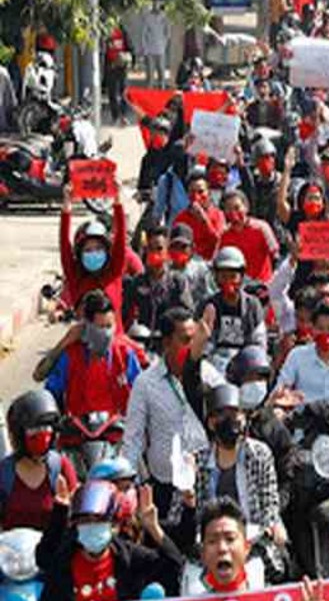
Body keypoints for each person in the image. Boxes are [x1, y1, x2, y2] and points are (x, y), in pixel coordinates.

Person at [123, 308, 225, 519]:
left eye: (196, 338)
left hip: (206, 485)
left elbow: (228, 415)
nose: (193, 345)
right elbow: (133, 439)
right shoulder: (145, 384)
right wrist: (127, 485)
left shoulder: (209, 375)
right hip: (166, 488)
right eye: (186, 340)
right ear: (167, 343)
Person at [179, 384, 286, 578]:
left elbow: (270, 506)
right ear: (211, 423)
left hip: (252, 542)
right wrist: (187, 491)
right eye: (222, 415)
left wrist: (271, 528)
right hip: (209, 547)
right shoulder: (197, 462)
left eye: (235, 413)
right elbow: (182, 518)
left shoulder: (259, 454)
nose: (230, 420)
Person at [36, 479, 187, 601]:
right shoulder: (64, 560)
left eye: (99, 520)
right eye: (85, 521)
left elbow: (173, 566)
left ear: (114, 525)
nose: (92, 526)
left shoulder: (129, 557)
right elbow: (43, 557)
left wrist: (153, 527)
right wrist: (60, 512)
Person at [39, 289, 142, 417]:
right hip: (79, 426)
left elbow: (143, 392)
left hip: (118, 426)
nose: (106, 334)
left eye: (109, 326)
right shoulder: (70, 356)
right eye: (100, 327)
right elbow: (50, 392)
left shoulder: (125, 354)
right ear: (87, 327)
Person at [0, 390, 79, 530]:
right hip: (11, 543)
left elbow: (78, 515)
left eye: (47, 428)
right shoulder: (4, 473)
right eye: (34, 430)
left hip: (52, 543)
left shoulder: (60, 467)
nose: (43, 435)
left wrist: (65, 505)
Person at [273, 302, 329, 404]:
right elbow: (282, 386)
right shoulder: (297, 355)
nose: (325, 333)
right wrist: (284, 395)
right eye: (320, 328)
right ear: (313, 330)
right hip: (305, 411)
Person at [59, 188, 128, 318]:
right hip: (84, 331)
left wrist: (118, 201)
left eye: (98, 248)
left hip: (115, 331)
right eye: (88, 250)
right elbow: (64, 245)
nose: (93, 253)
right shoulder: (75, 277)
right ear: (80, 254)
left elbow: (120, 239)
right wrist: (67, 205)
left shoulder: (113, 274)